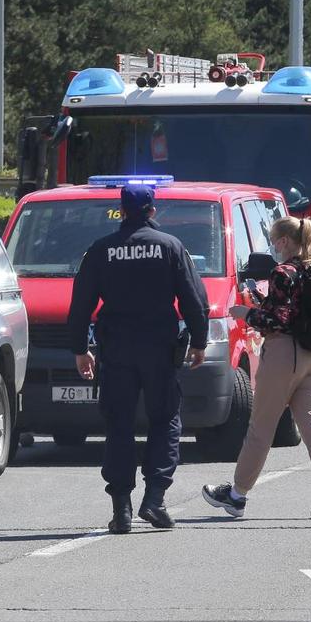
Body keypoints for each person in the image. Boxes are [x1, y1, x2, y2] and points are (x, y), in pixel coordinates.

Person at [67, 181, 209, 534]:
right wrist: (199, 341)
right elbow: (194, 299)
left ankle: (122, 511)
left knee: (119, 425)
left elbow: (80, 305)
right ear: (152, 210)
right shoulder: (171, 246)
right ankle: (155, 499)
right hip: (160, 349)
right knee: (165, 420)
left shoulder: (101, 249)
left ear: (121, 211)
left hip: (117, 351)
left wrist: (80, 349)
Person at [201, 217, 311, 520]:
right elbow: (292, 311)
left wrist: (246, 313)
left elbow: (278, 321)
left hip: (284, 353)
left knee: (261, 426)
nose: (272, 245)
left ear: (284, 241)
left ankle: (237, 495)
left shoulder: (282, 273)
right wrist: (262, 302)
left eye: (273, 239)